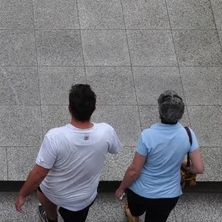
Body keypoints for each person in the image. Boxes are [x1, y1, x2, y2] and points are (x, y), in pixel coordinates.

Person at [15, 84, 121, 222]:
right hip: (82, 199)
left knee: (44, 197)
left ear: (69, 108)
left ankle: (51, 218)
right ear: (94, 108)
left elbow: (39, 173)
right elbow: (115, 149)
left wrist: (22, 195)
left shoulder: (55, 137)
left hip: (52, 191)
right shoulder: (107, 132)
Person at [115, 91, 204, 222]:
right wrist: (181, 163)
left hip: (140, 192)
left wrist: (121, 188)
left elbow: (134, 170)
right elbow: (199, 168)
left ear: (160, 111)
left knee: (134, 210)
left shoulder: (148, 135)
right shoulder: (188, 134)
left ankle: (134, 217)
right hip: (168, 196)